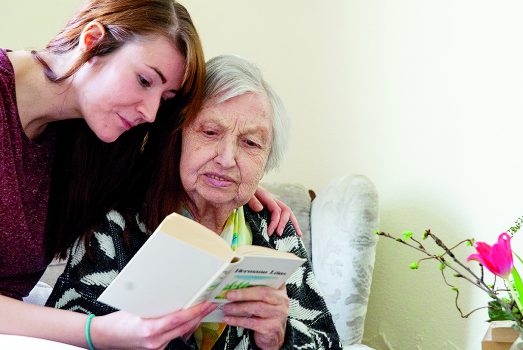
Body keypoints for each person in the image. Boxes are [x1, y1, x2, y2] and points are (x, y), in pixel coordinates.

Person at [0, 1, 297, 348]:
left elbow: (173, 166)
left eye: (165, 96)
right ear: (93, 41)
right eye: (144, 80)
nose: (152, 112)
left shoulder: (93, 135)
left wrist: (238, 184)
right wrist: (98, 332)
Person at [47, 55, 342, 350]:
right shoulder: (117, 221)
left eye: (250, 143)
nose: (226, 159)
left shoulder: (275, 230)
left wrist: (279, 338)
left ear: (266, 162)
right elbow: (63, 333)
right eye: (210, 132)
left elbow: (329, 342)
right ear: (178, 138)